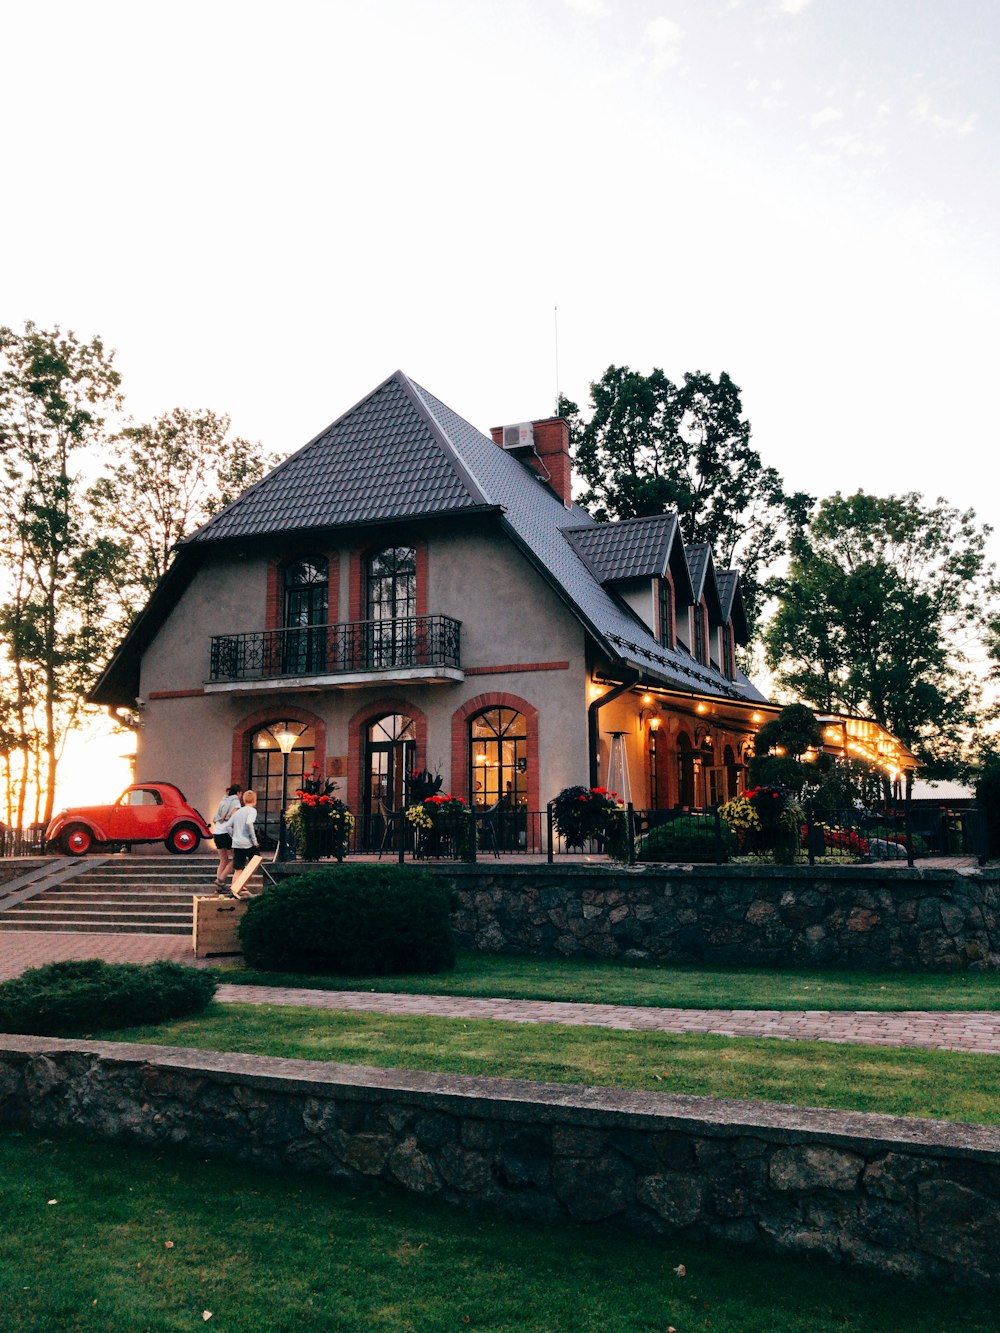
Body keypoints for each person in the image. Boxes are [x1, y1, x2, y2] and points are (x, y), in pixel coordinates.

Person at [211, 784, 242, 889]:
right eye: (240, 793)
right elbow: (234, 816)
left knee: (223, 859)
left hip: (217, 832)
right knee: (236, 858)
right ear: (238, 793)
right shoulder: (236, 802)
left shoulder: (223, 800)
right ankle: (221, 879)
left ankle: (218, 886)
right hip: (227, 833)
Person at [227, 790, 259, 890]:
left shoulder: (238, 812)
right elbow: (249, 824)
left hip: (237, 843)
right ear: (254, 800)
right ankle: (242, 884)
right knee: (255, 862)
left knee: (238, 868)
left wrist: (234, 836)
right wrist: (254, 841)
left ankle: (234, 888)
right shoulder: (252, 811)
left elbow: (228, 826)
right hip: (247, 843)